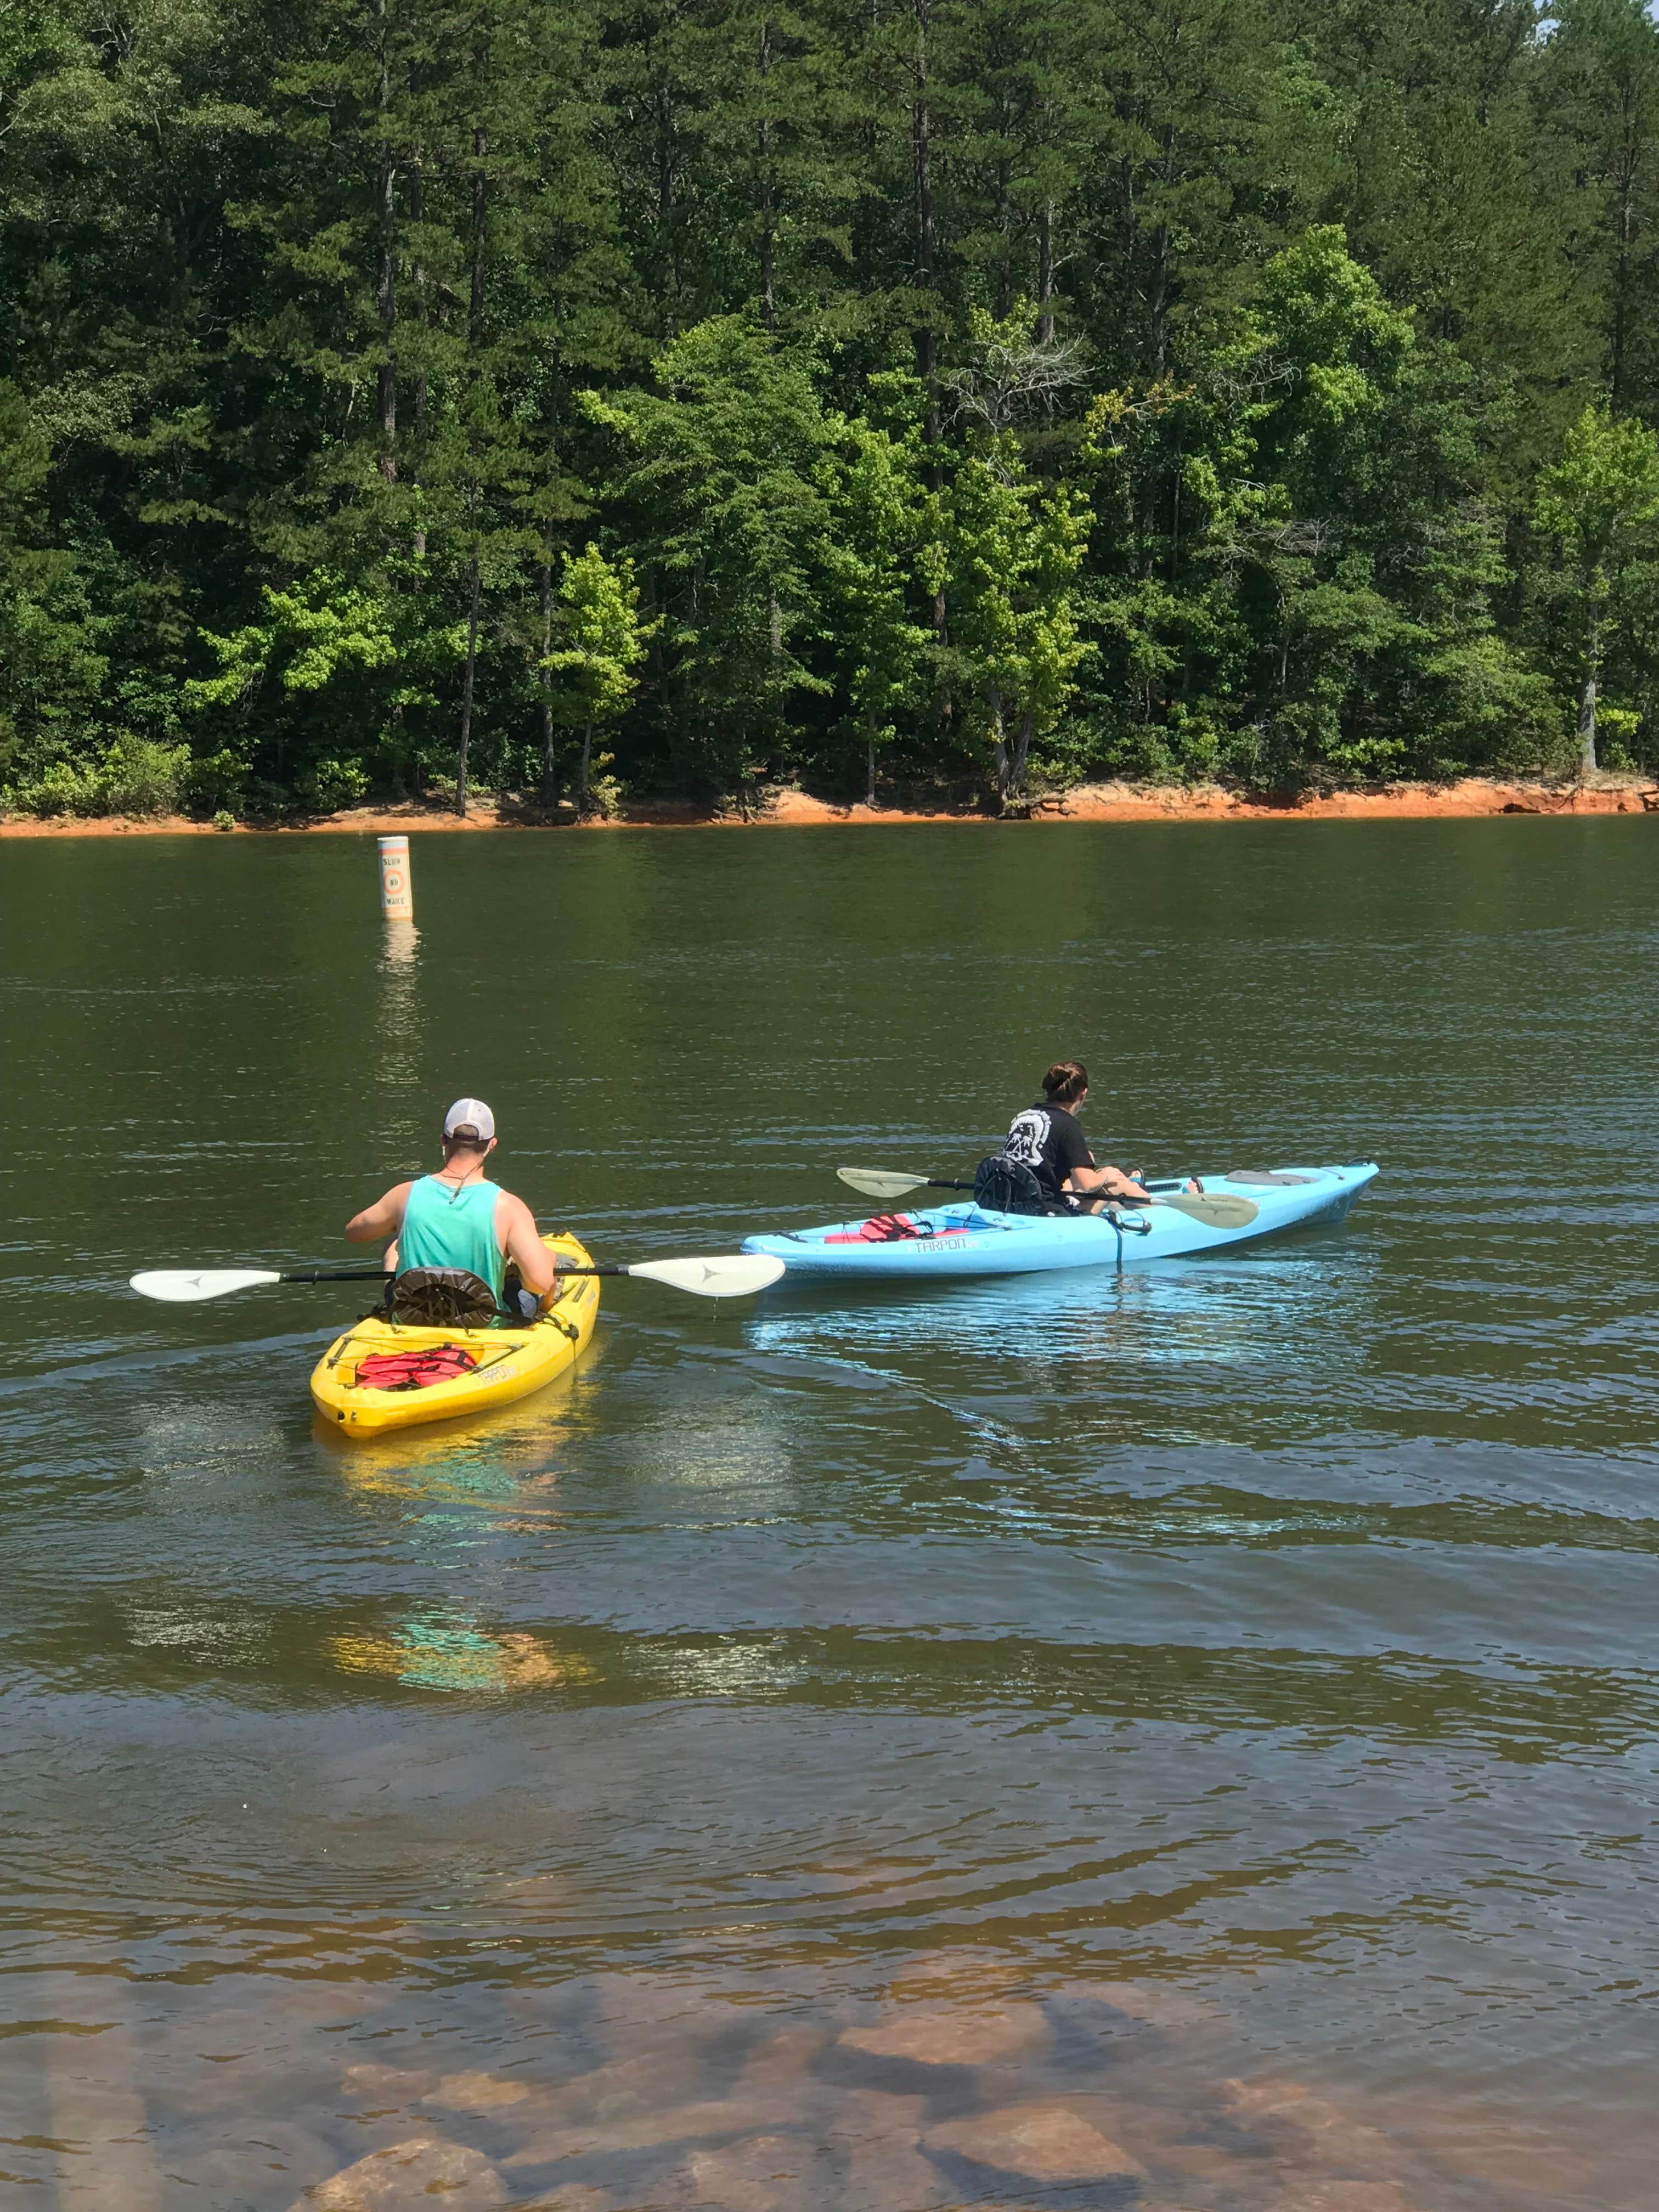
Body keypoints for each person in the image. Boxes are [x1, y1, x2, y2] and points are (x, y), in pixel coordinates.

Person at [344, 1097, 558, 1313]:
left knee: (395, 1243)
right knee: (541, 1269)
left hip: (414, 1316)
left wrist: (402, 1222)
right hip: (483, 1322)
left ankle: (397, 1305)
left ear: (444, 1140)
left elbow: (353, 1234)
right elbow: (540, 1283)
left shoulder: (404, 1195)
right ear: (492, 1145)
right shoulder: (509, 1206)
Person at [999, 1061, 1199, 1211]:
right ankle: (1171, 1211)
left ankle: (1131, 1192)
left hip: (1012, 1202)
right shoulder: (1068, 1125)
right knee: (1113, 1181)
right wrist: (1105, 1176)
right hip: (1047, 1213)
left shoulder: (1024, 1116)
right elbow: (1088, 1185)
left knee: (1087, 1166)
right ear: (1083, 1094)